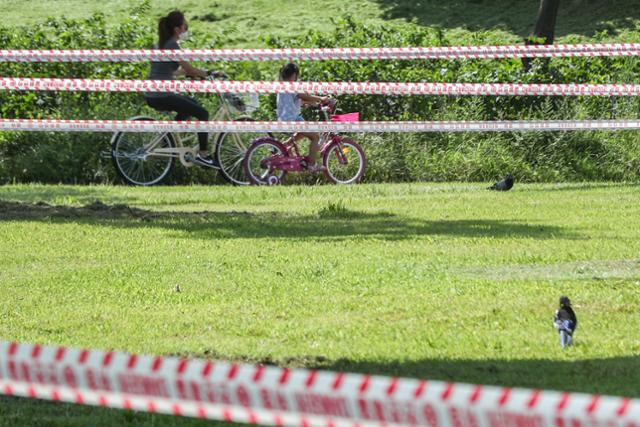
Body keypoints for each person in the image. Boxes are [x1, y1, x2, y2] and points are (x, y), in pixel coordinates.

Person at [145, 11, 217, 168]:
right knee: (202, 113)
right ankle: (203, 155)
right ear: (177, 29)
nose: (186, 28)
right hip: (162, 94)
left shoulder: (160, 44)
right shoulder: (172, 45)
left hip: (153, 93)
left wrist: (188, 73)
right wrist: (208, 74)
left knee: (191, 104)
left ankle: (166, 138)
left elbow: (168, 71)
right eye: (184, 25)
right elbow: (190, 69)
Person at [277, 62, 329, 172]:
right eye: (296, 75)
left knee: (303, 132)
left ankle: (286, 144)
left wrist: (311, 103)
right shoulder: (292, 85)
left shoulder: (282, 86)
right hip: (292, 120)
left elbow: (296, 100)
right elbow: (303, 95)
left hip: (285, 119)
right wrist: (321, 98)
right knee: (315, 137)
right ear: (294, 74)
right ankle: (312, 164)